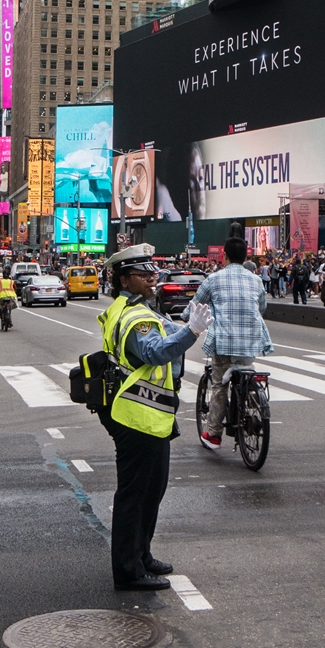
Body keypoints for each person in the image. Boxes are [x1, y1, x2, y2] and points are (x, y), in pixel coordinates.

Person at [97, 244, 213, 591]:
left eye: (153, 272)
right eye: (142, 274)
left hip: (149, 411)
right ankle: (129, 570)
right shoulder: (135, 317)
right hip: (136, 414)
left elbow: (160, 333)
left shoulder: (134, 308)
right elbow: (153, 351)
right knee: (136, 493)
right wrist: (191, 332)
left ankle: (141, 554)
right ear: (123, 280)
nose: (152, 278)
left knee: (153, 488)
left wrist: (181, 323)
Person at [182, 237, 273, 450]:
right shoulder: (256, 280)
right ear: (245, 258)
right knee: (246, 370)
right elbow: (261, 308)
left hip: (224, 342)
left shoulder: (213, 279)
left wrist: (186, 316)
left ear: (225, 255)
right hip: (252, 342)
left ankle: (213, 434)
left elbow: (195, 306)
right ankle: (251, 399)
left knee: (219, 385)